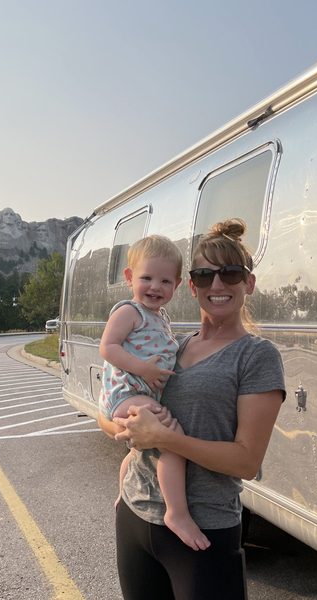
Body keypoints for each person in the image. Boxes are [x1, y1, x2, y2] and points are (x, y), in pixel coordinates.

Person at [99, 218, 286, 600]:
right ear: (191, 286)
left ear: (248, 283)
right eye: (204, 275)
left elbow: (246, 462)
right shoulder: (173, 345)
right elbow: (113, 416)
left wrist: (164, 438)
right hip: (135, 514)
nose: (216, 285)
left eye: (230, 273)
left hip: (203, 528)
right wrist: (126, 427)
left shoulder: (256, 356)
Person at [99, 234, 211, 551]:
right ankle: (176, 513)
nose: (155, 287)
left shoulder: (160, 317)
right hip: (126, 392)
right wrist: (144, 369)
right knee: (171, 440)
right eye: (146, 278)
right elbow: (108, 347)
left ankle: (124, 493)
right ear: (129, 277)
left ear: (177, 285)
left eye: (165, 281)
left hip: (139, 393)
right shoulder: (129, 312)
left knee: (138, 452)